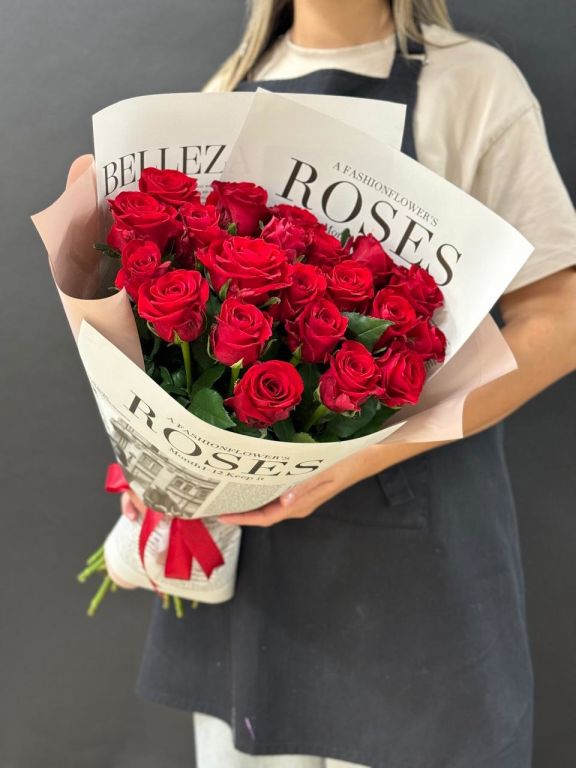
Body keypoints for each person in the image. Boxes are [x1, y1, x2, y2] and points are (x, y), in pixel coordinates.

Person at [118, 2, 576, 766]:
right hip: (253, 580)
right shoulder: (226, 91)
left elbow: (560, 320)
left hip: (417, 566)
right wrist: (160, 453)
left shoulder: (470, 84)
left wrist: (368, 451)